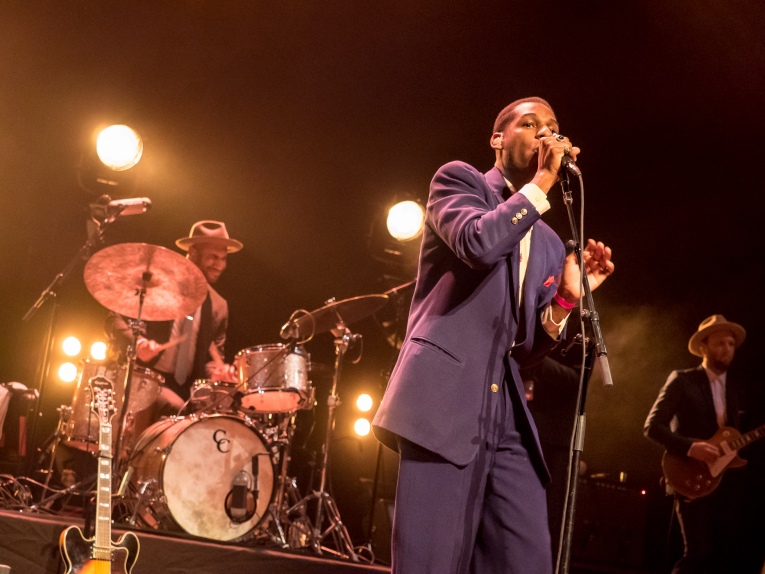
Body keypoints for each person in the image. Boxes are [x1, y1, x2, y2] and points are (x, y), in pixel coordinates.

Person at [372, 97, 614, 573]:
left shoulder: (546, 240)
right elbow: (477, 243)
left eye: (554, 127)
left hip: (506, 412)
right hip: (441, 399)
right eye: (530, 124)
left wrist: (566, 297)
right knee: (431, 563)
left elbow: (524, 350)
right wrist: (543, 181)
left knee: (524, 561)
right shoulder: (458, 180)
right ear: (497, 139)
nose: (546, 134)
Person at [644, 315, 761, 573]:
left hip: (724, 482)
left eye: (731, 344)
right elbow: (652, 427)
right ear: (703, 347)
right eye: (720, 343)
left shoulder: (736, 389)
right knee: (696, 556)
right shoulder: (683, 380)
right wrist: (690, 447)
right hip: (689, 476)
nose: (727, 349)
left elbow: (731, 437)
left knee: (723, 556)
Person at [107, 220, 242, 413]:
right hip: (147, 378)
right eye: (213, 257)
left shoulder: (218, 307)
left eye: (223, 259)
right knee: (176, 409)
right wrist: (139, 344)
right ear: (193, 252)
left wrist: (218, 372)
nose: (219, 265)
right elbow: (114, 320)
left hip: (187, 389)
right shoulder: (158, 283)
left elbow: (212, 359)